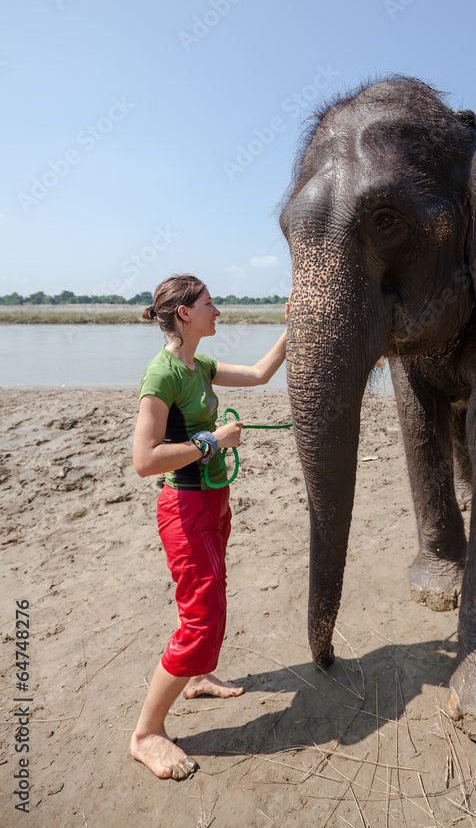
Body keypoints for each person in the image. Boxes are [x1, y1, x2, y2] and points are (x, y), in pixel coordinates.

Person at [129, 274, 289, 780]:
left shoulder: (200, 366)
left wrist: (292, 327)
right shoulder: (162, 375)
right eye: (209, 303)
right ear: (184, 314)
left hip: (214, 502)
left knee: (210, 595)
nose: (217, 311)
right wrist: (212, 442)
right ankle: (147, 733)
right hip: (185, 508)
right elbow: (144, 460)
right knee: (201, 622)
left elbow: (263, 374)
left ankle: (197, 679)